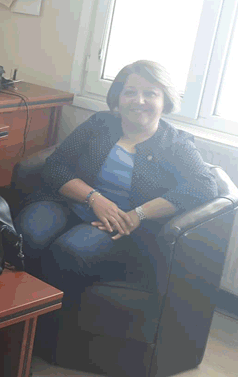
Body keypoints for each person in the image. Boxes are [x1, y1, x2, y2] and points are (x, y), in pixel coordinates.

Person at [15, 60, 217, 300]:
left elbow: (204, 186)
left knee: (69, 251)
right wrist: (94, 198)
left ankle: (43, 318)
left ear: (165, 100)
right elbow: (55, 165)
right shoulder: (100, 124)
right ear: (118, 98)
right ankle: (8, 307)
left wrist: (138, 214)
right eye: (130, 92)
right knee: (27, 234)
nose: (139, 101)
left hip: (119, 227)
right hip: (68, 204)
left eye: (150, 94)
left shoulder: (175, 144)